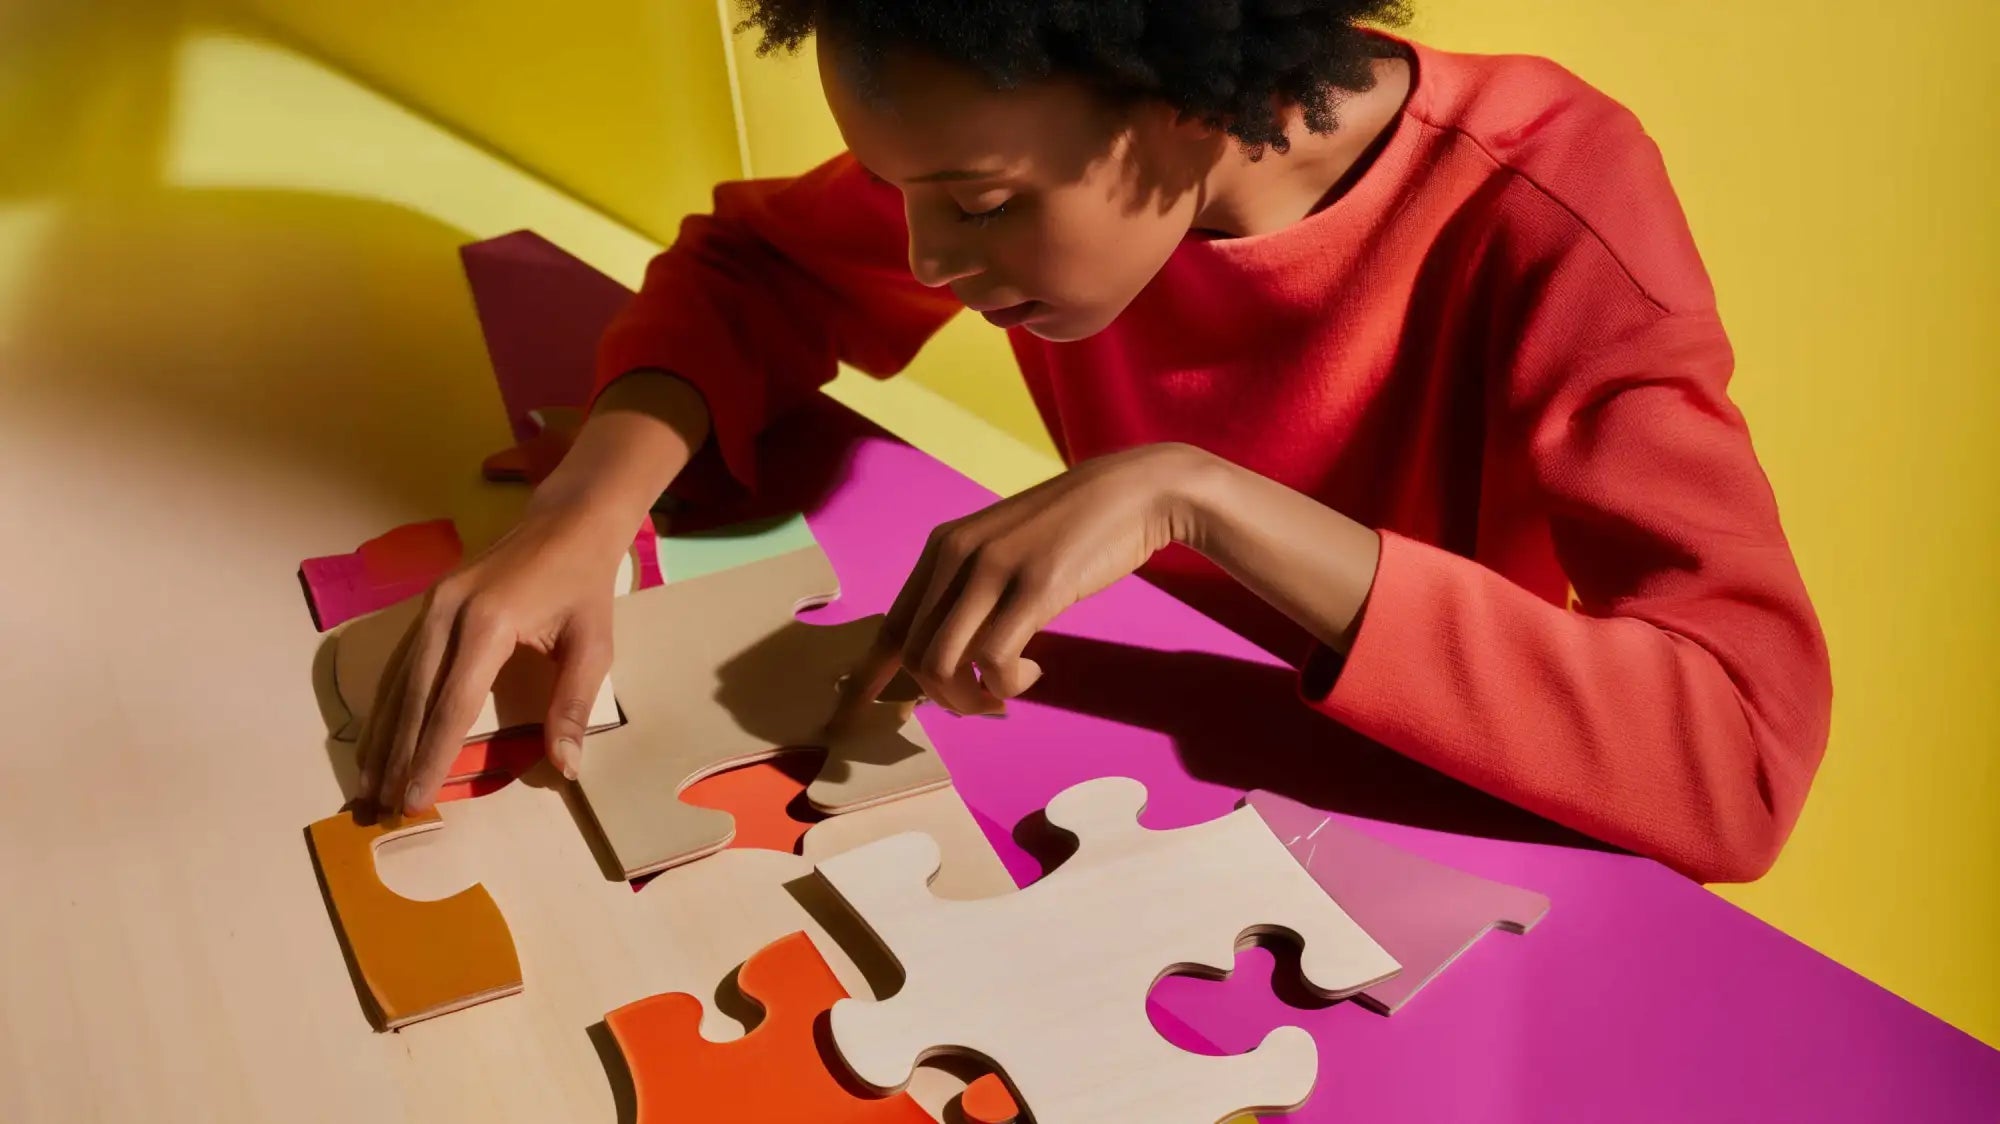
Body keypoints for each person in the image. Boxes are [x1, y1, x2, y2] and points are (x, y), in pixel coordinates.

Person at [357, 0, 1831, 883]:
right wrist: (581, 506)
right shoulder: (1014, 97)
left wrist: (1190, 496)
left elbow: (1746, 762)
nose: (929, 256)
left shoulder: (1553, 204)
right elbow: (760, 273)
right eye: (898, 188)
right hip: (1068, 770)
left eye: (980, 205)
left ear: (1194, 100)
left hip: (1421, 816)